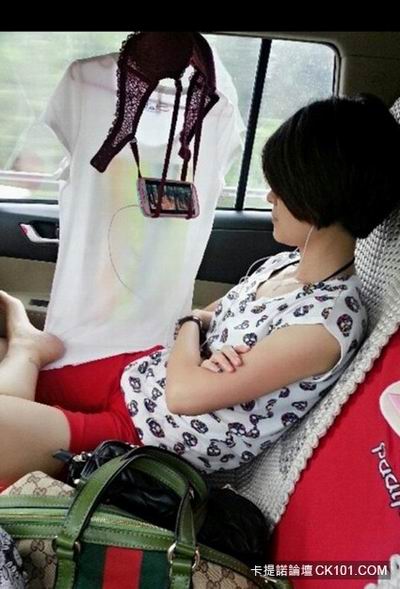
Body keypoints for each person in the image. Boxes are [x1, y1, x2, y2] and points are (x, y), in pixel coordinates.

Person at [0, 93, 400, 485]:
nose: (270, 197)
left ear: (318, 195)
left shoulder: (324, 326)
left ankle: (28, 349)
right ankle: (25, 349)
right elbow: (205, 317)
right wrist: (196, 333)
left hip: (144, 439)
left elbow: (184, 395)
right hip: (136, 378)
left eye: (282, 187)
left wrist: (191, 327)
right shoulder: (284, 264)